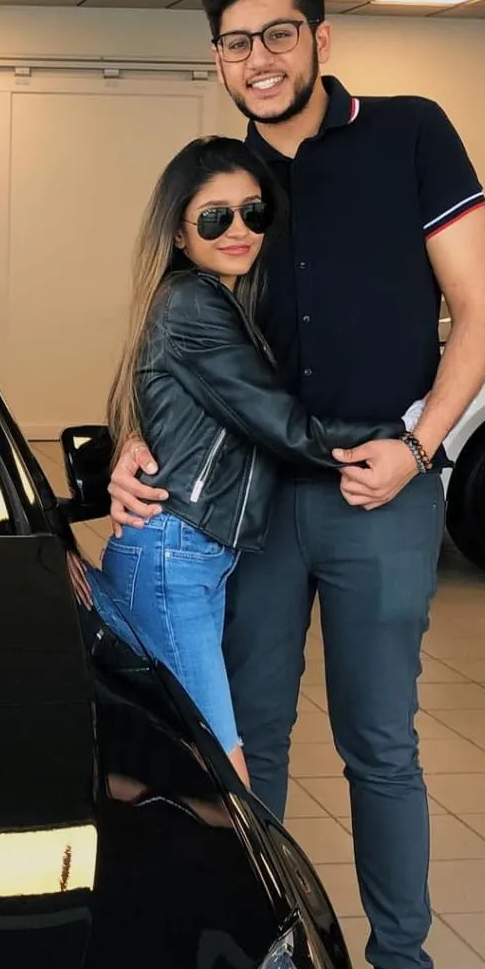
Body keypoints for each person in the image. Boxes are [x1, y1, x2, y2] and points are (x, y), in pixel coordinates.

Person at [107, 0, 485, 969]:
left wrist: (416, 446)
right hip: (254, 500)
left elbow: (479, 309)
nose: (260, 58)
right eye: (236, 42)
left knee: (380, 745)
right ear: (218, 58)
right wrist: (136, 443)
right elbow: (179, 333)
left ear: (320, 37)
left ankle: (401, 965)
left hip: (384, 486)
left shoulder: (411, 133)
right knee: (251, 739)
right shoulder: (225, 183)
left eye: (278, 33)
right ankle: (262, 954)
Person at [85, 135, 406, 789]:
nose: (239, 230)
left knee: (170, 760)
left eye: (253, 213)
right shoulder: (192, 304)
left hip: (187, 554)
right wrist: (409, 438)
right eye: (215, 217)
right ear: (179, 231)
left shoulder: (218, 301)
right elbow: (281, 425)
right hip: (174, 555)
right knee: (222, 771)